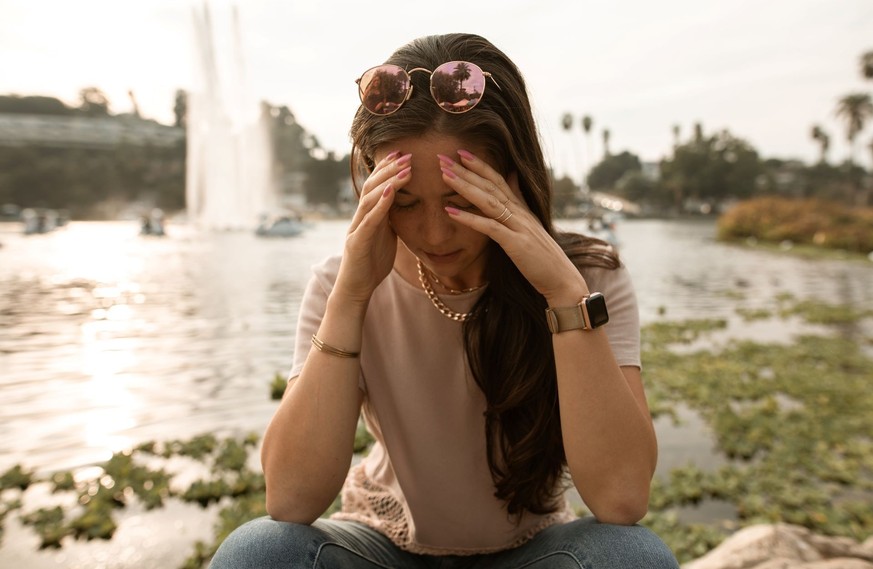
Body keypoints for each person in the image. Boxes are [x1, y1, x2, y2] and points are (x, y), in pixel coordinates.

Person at [210, 33, 679, 568]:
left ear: (514, 177)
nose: (434, 235)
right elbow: (291, 500)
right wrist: (352, 297)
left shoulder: (588, 278)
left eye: (460, 199)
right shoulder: (341, 284)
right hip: (384, 547)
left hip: (530, 553)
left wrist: (564, 294)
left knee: (629, 557)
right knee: (261, 552)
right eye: (404, 203)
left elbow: (621, 499)